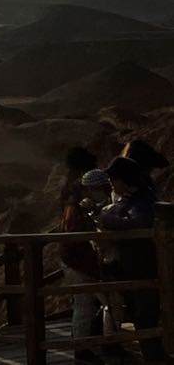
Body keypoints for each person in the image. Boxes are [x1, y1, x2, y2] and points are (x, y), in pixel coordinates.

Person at [92, 155, 162, 361]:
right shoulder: (131, 198)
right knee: (138, 312)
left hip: (143, 264)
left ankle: (154, 357)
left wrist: (104, 217)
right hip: (133, 265)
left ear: (124, 179)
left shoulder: (141, 199)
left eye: (114, 179)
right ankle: (152, 355)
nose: (112, 184)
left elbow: (136, 222)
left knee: (145, 314)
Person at [64, 167, 111, 363]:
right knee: (86, 306)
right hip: (80, 264)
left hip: (80, 263)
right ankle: (83, 350)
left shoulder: (77, 207)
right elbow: (77, 238)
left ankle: (97, 345)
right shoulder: (77, 210)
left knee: (94, 305)